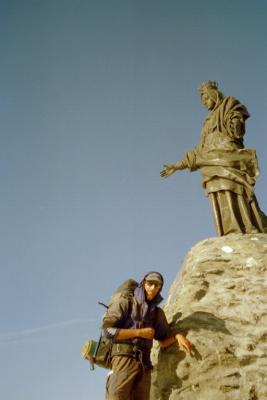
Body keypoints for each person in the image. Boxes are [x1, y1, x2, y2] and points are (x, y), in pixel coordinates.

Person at [160, 81, 267, 235]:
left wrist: (236, 122)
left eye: (205, 97)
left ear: (213, 93)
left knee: (235, 187)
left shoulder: (228, 103)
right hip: (209, 161)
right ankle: (229, 230)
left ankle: (246, 226)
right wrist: (177, 166)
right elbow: (199, 150)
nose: (204, 102)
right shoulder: (206, 123)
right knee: (218, 191)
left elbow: (236, 118)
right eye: (202, 100)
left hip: (227, 155)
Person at [102, 271, 192, 400]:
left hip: (144, 366)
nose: (153, 288)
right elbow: (108, 331)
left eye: (157, 285)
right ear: (144, 283)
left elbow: (162, 341)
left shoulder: (157, 313)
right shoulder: (126, 303)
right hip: (123, 359)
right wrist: (139, 332)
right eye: (150, 284)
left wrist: (177, 336)